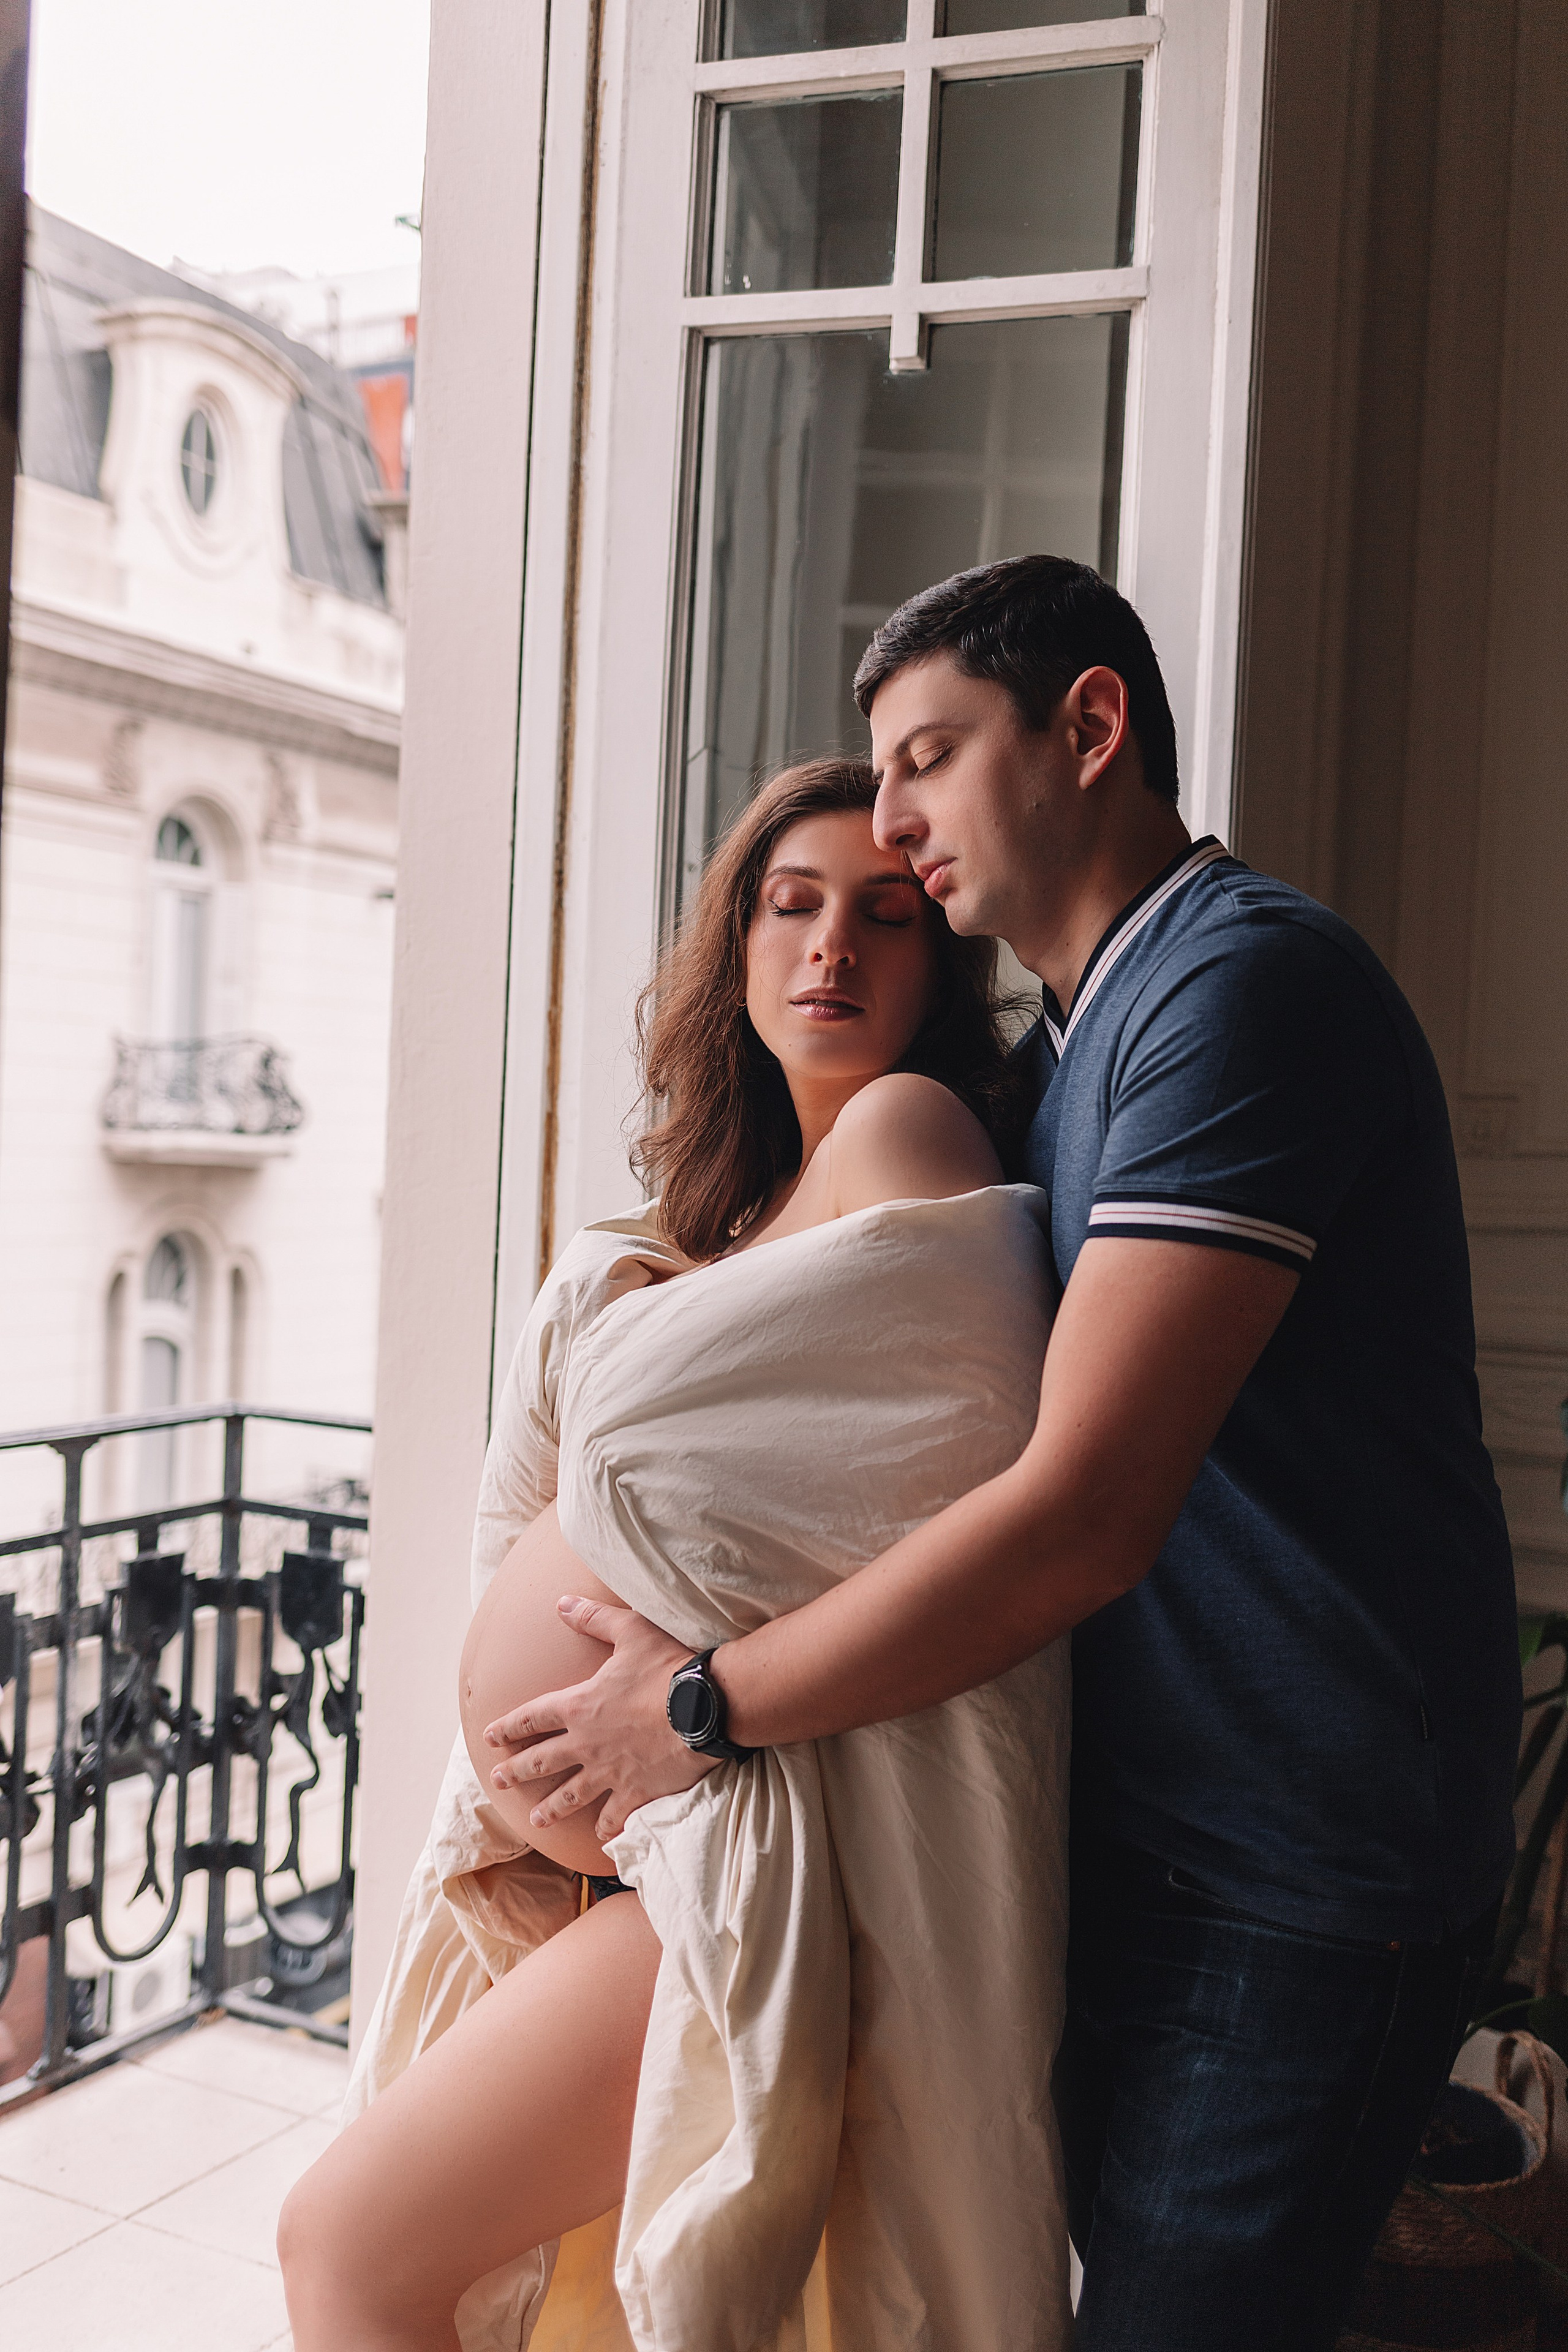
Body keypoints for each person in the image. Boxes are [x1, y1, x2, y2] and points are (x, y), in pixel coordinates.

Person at [497, 556, 1524, 2351]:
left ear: (1090, 728)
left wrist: (692, 1711)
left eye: (926, 757)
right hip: (1153, 1838)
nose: (892, 824)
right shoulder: (1074, 1046)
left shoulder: (1240, 992)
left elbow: (1079, 1515)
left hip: (1297, 1880)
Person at [279, 758, 1076, 2352]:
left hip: (752, 1833)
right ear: (738, 949)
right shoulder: (710, 1220)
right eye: (790, 907)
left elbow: (908, 1486)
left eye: (884, 911)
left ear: (945, 963)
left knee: (350, 2241)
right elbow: (544, 1517)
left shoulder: (912, 1136)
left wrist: (693, 1689)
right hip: (617, 1864)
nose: (830, 947)